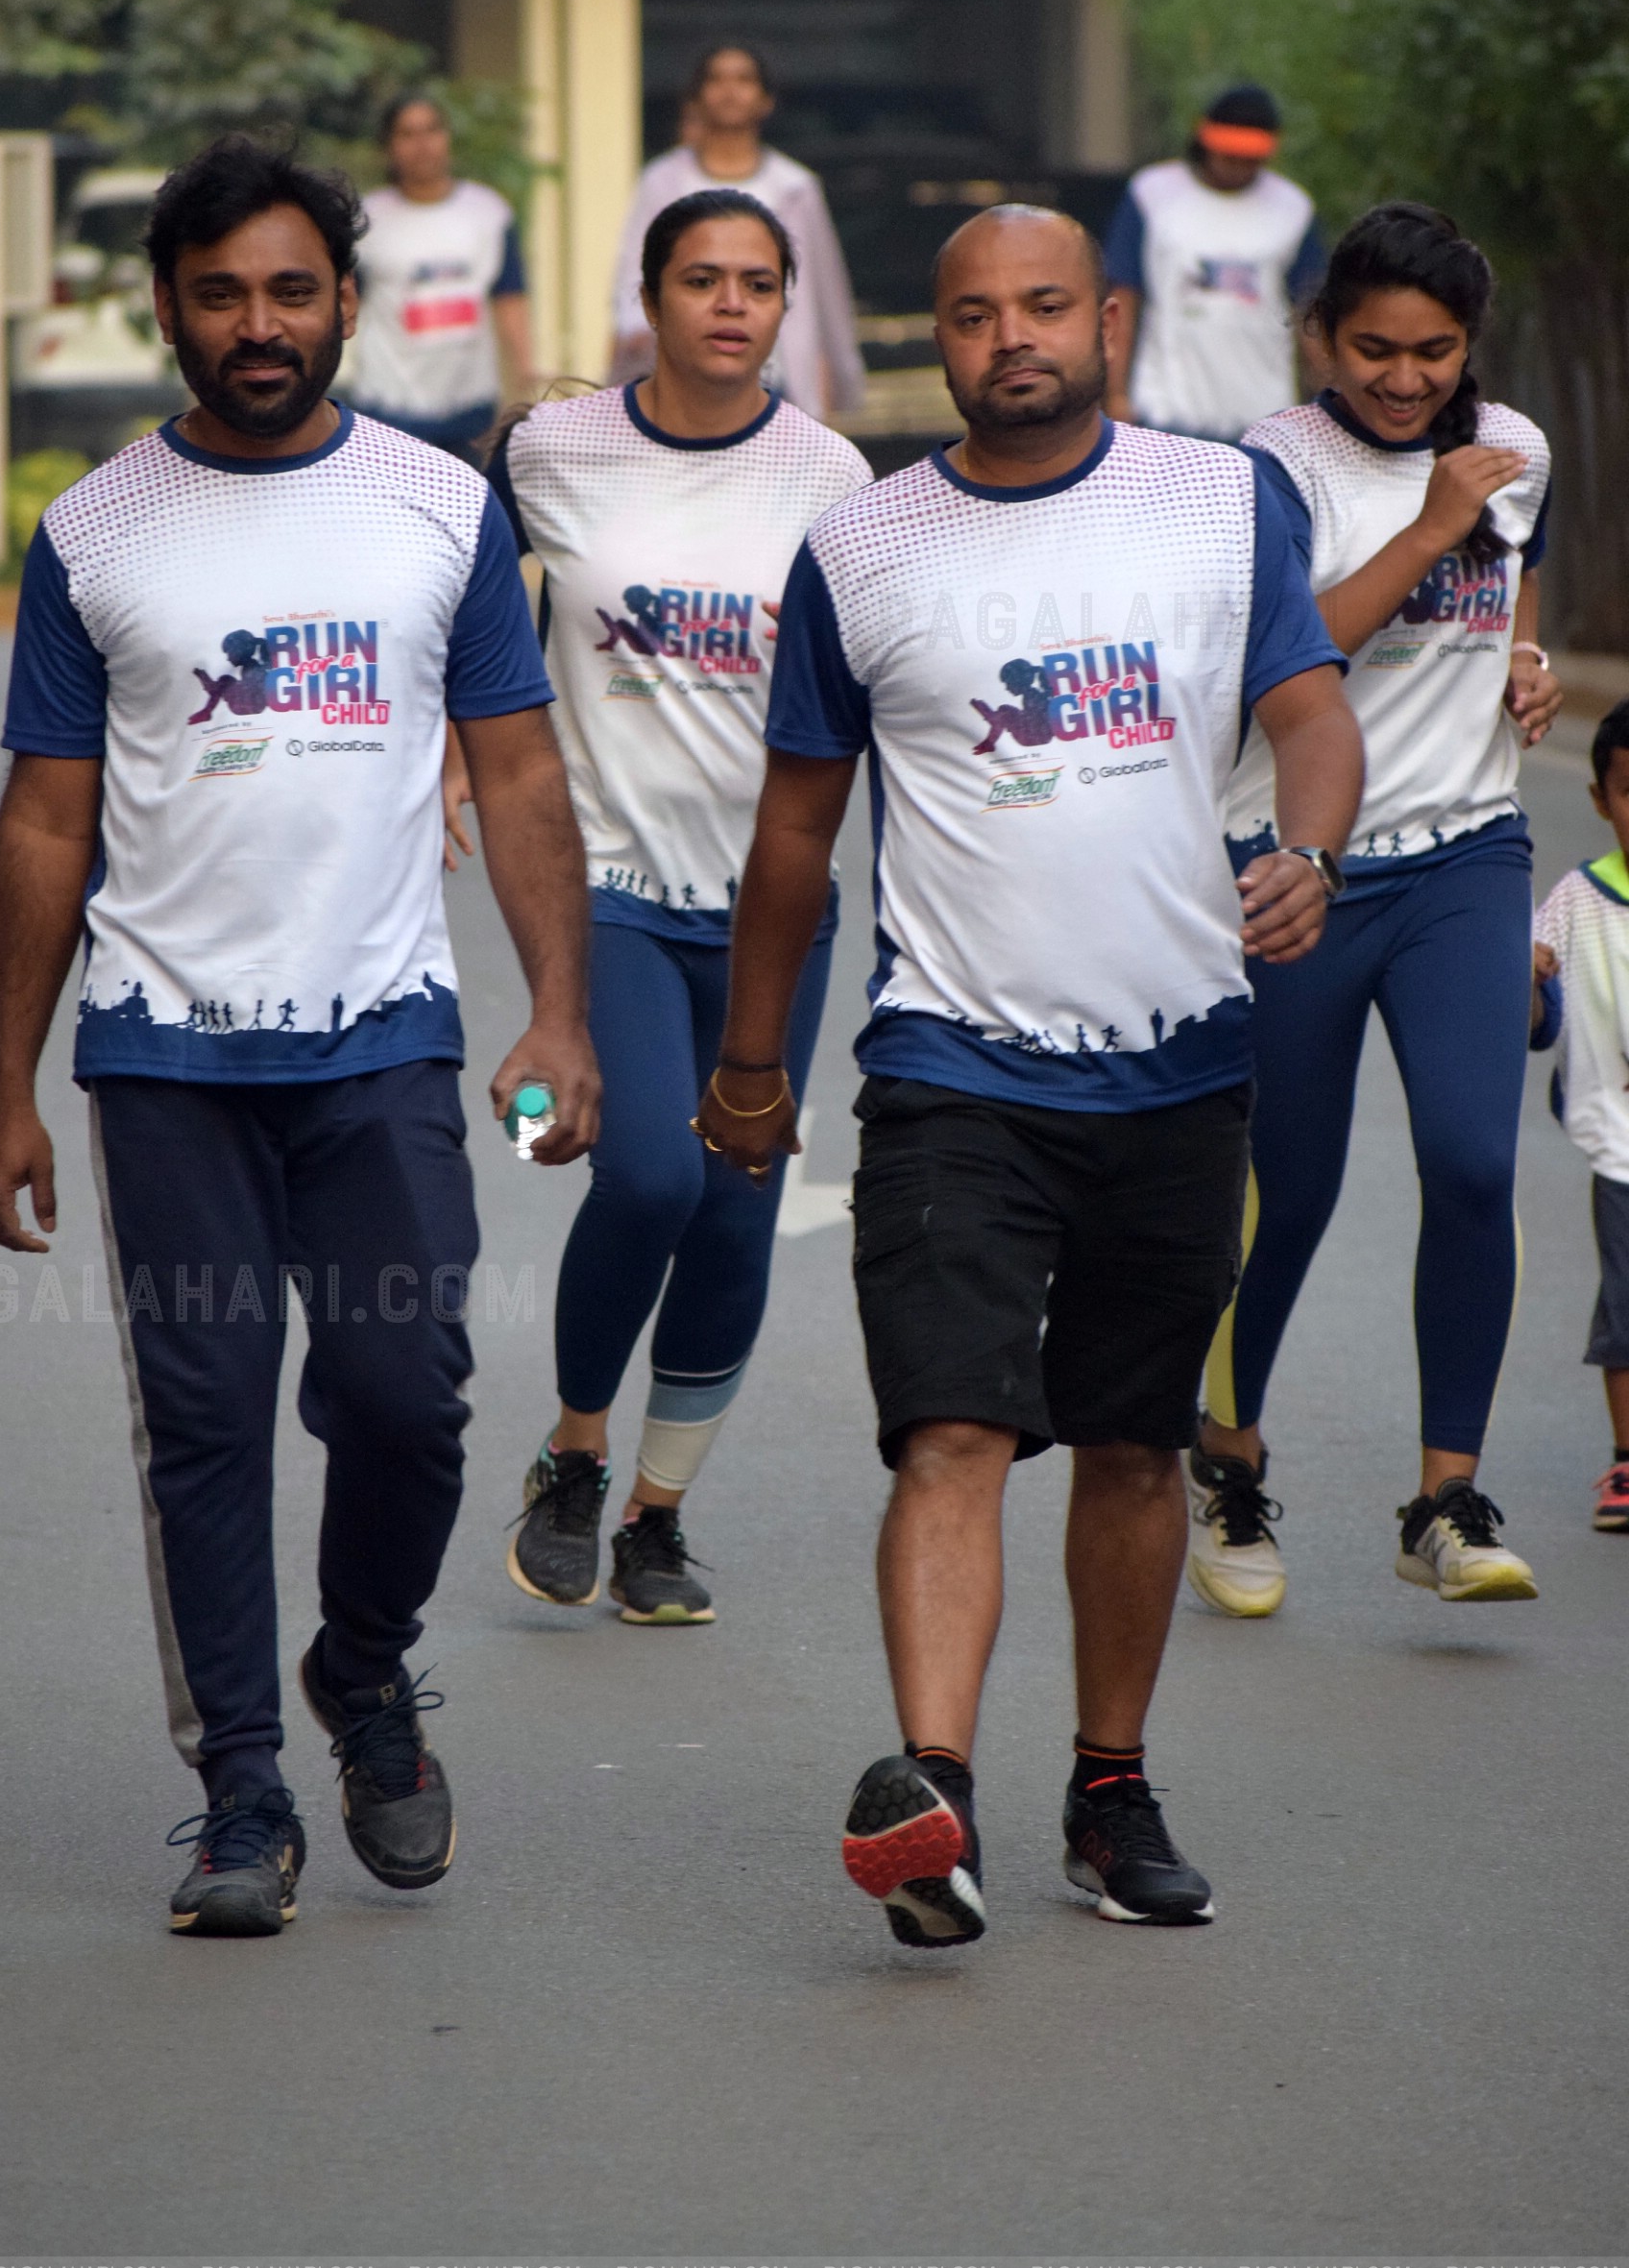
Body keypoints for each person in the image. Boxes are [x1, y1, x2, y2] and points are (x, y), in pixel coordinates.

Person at [694, 204, 1359, 1944]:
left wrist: (1312, 846)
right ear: (942, 338)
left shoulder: (1223, 504)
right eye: (977, 316)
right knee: (956, 1434)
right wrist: (750, 1066)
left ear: (1112, 321)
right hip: (954, 1068)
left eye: (1046, 307)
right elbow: (793, 833)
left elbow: (1311, 710)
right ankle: (936, 1794)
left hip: (1180, 1062)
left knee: (1137, 1447)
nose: (1014, 340)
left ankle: (1109, 1790)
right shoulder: (864, 551)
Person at [0, 134, 599, 1939]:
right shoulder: (94, 530)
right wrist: (6, 1088)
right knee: (205, 1423)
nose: (260, 324)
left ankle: (368, 1667)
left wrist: (558, 1005)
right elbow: (42, 822)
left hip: (382, 1039)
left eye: (293, 290)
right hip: (166, 1054)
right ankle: (243, 1790)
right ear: (169, 306)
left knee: (409, 1400)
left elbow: (519, 767)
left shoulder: (438, 509)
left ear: (350, 301)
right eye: (223, 292)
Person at [488, 190, 871, 1621]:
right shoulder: (552, 451)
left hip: (778, 904)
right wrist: (461, 763)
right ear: (648, 296)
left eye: (758, 283)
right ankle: (576, 1452)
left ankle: (657, 1513)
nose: (729, 304)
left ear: (784, 307)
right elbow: (459, 611)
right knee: (648, 1172)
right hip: (612, 889)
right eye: (699, 278)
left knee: (734, 1212)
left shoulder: (834, 479)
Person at [1194, 203, 1560, 1617]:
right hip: (1299, 868)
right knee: (1289, 1186)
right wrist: (1433, 523)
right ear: (1318, 337)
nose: (1405, 379)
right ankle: (1226, 1458)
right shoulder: (1270, 469)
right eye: (1374, 350)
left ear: (1470, 344)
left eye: (1436, 351)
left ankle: (1444, 1500)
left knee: (1475, 1162)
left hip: (1467, 856)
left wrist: (1524, 653)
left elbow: (1517, 581)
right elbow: (1297, 647)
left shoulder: (1518, 450)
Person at [610, 46, 865, 424]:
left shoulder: (795, 188)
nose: (730, 90)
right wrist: (633, 326)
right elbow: (634, 265)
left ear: (766, 100)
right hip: (682, 380)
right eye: (716, 79)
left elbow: (824, 290)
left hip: (777, 378)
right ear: (696, 98)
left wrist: (834, 381)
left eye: (744, 80)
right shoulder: (663, 181)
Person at [1529, 697, 1629, 1532]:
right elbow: (1535, 1009)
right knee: (1627, 1307)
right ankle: (1628, 1464)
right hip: (1623, 1148)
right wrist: (1527, 971)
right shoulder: (1578, 900)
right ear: (1600, 800)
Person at [1106, 84, 1326, 443]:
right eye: (1230, 154)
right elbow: (1124, 299)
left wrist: (1326, 398)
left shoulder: (1292, 208)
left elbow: (1311, 311)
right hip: (1166, 413)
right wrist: (1116, 396)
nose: (1239, 166)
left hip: (1264, 417)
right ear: (1204, 141)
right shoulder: (1152, 194)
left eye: (1250, 157)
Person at [351, 91, 532, 460]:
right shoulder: (366, 219)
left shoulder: (488, 212)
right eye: (407, 134)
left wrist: (525, 370)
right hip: (389, 405)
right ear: (388, 146)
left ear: (447, 137)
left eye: (432, 130)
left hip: (469, 405)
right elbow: (344, 303)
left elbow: (509, 296)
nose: (422, 144)